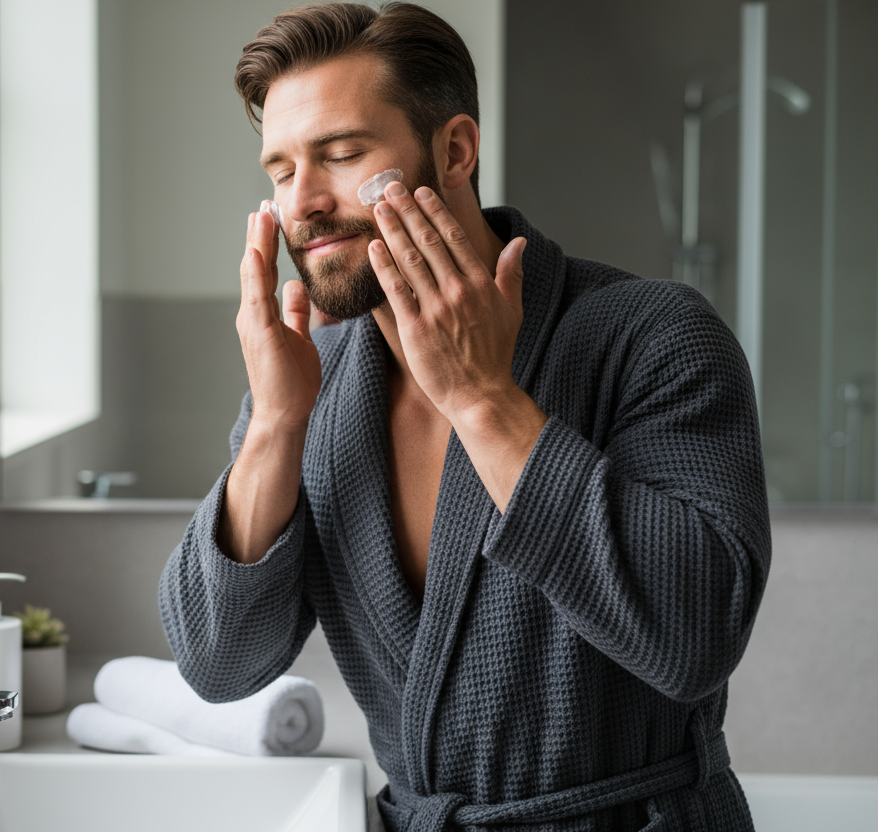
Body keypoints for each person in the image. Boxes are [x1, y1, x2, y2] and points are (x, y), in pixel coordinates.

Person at [158, 4, 771, 830]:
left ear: (454, 150)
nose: (302, 203)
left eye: (340, 155)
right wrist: (274, 422)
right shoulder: (312, 389)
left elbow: (694, 633)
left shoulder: (652, 336)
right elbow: (217, 663)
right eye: (279, 170)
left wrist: (485, 401)